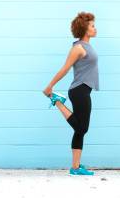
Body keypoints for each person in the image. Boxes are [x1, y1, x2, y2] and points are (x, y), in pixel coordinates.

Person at [42, 11, 99, 176]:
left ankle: (75, 168)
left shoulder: (87, 45)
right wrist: (50, 86)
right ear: (85, 28)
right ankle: (58, 101)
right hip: (79, 90)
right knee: (82, 128)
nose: (95, 29)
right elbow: (65, 68)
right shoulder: (78, 48)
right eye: (92, 26)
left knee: (80, 130)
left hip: (84, 90)